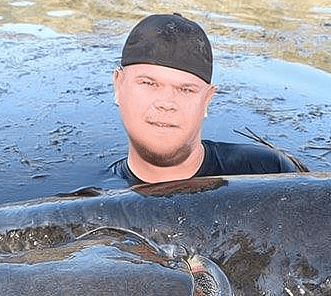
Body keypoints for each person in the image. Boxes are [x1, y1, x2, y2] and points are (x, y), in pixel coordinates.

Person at [110, 13, 306, 185]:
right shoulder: (86, 196)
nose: (166, 103)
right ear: (118, 85)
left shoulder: (270, 173)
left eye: (186, 89)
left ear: (207, 99)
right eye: (149, 83)